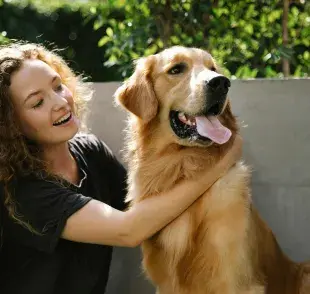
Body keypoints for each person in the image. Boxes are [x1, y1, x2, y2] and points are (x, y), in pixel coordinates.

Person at [0, 42, 243, 294]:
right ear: (10, 126)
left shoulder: (90, 151)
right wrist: (221, 163)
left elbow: (150, 209)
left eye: (57, 86)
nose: (60, 102)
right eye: (37, 102)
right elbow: (130, 229)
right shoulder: (22, 192)